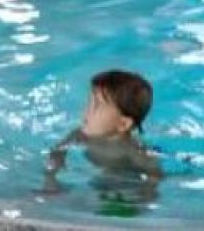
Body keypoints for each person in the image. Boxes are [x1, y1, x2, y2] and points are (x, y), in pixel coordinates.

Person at [42, 69, 164, 199]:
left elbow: (154, 174)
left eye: (97, 106)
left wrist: (146, 195)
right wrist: (51, 181)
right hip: (102, 175)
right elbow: (57, 153)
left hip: (126, 177)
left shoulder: (132, 149)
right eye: (89, 102)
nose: (86, 111)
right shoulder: (80, 134)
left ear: (123, 124)